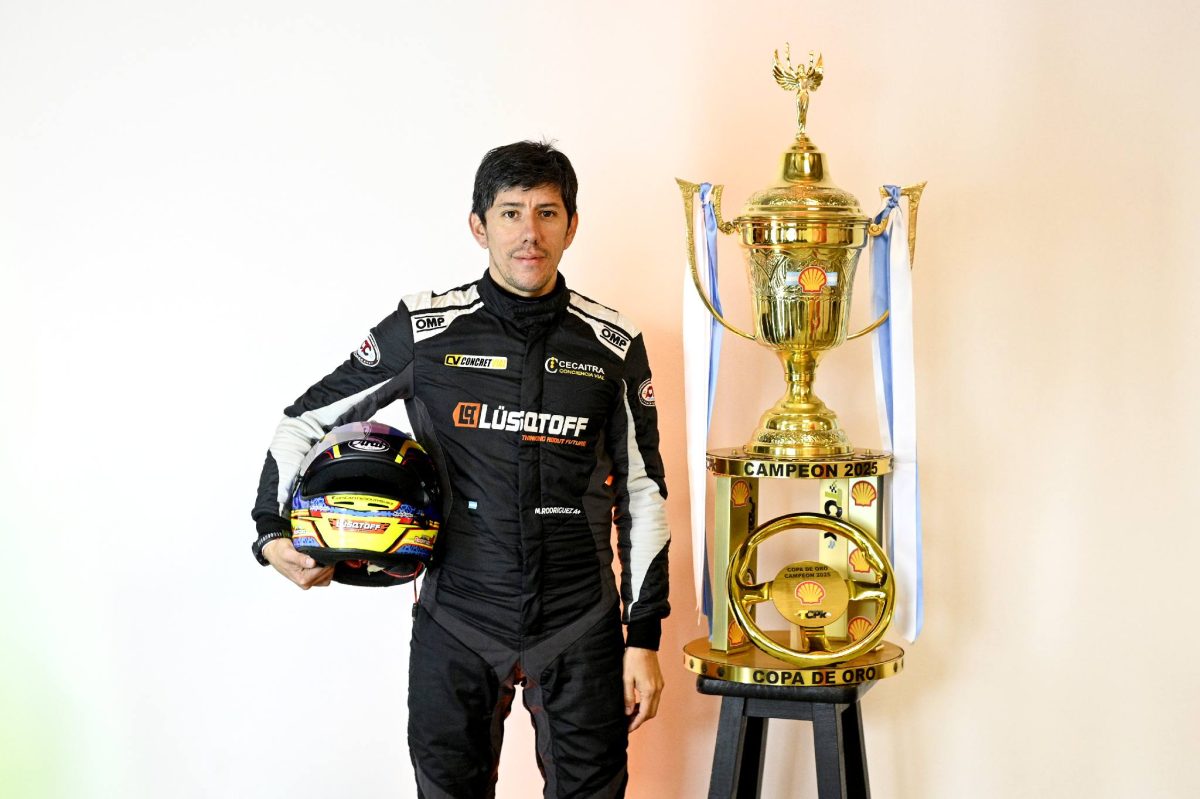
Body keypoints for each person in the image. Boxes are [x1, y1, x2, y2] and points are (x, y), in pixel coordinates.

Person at [250, 141, 671, 798]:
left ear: (572, 225)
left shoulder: (613, 342)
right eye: (510, 213)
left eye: (547, 213)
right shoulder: (425, 329)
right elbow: (305, 419)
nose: (528, 233)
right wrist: (271, 530)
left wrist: (641, 636)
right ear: (479, 226)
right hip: (459, 617)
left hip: (580, 619)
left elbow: (643, 491)